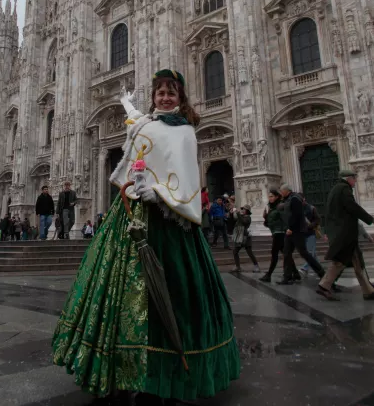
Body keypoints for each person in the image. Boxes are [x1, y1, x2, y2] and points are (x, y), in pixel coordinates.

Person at [52, 69, 240, 405]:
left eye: (171, 93)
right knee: (118, 293)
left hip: (167, 222)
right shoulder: (147, 122)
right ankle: (117, 367)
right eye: (160, 93)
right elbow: (140, 140)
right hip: (130, 215)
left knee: (172, 293)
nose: (165, 97)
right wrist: (128, 110)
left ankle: (165, 372)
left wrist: (163, 193)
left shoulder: (184, 130)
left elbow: (184, 172)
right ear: (154, 96)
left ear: (180, 97)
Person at [318, 170, 374, 301]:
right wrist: (370, 219)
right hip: (345, 233)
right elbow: (353, 207)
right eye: (354, 178)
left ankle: (368, 290)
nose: (355, 181)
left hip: (342, 232)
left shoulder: (335, 189)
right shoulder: (344, 189)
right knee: (340, 261)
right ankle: (324, 286)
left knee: (357, 261)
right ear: (349, 178)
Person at [277, 184, 325, 286]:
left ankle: (322, 273)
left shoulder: (294, 199)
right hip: (291, 231)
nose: (281, 193)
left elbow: (296, 215)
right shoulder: (288, 199)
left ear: (286, 191)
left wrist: (291, 228)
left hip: (296, 231)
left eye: (282, 191)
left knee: (304, 253)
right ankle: (287, 277)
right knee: (287, 253)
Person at [232, 204, 260, 273]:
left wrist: (238, 213)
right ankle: (238, 267)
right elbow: (234, 219)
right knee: (235, 251)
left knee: (249, 252)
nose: (242, 210)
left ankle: (256, 265)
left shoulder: (248, 217)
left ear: (247, 211)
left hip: (245, 237)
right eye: (242, 209)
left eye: (244, 209)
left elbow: (244, 222)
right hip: (239, 236)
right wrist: (232, 213)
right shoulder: (241, 216)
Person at [300, 195, 322, 275]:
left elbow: (318, 219)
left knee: (310, 252)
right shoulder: (298, 209)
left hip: (311, 233)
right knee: (312, 252)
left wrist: (310, 226)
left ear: (304, 199)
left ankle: (305, 267)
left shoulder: (312, 208)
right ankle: (319, 268)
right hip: (302, 234)